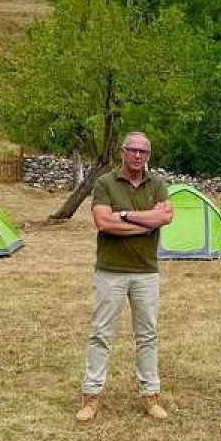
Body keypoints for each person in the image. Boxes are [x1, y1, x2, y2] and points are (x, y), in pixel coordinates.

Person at [76, 131, 174, 422]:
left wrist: (124, 216)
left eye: (143, 152)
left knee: (148, 335)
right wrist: (145, 222)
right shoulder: (105, 183)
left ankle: (150, 395)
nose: (137, 155)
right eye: (132, 150)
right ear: (122, 152)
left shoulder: (157, 184)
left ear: (149, 156)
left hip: (146, 272)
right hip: (110, 271)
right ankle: (91, 396)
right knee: (101, 334)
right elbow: (103, 223)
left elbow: (165, 217)